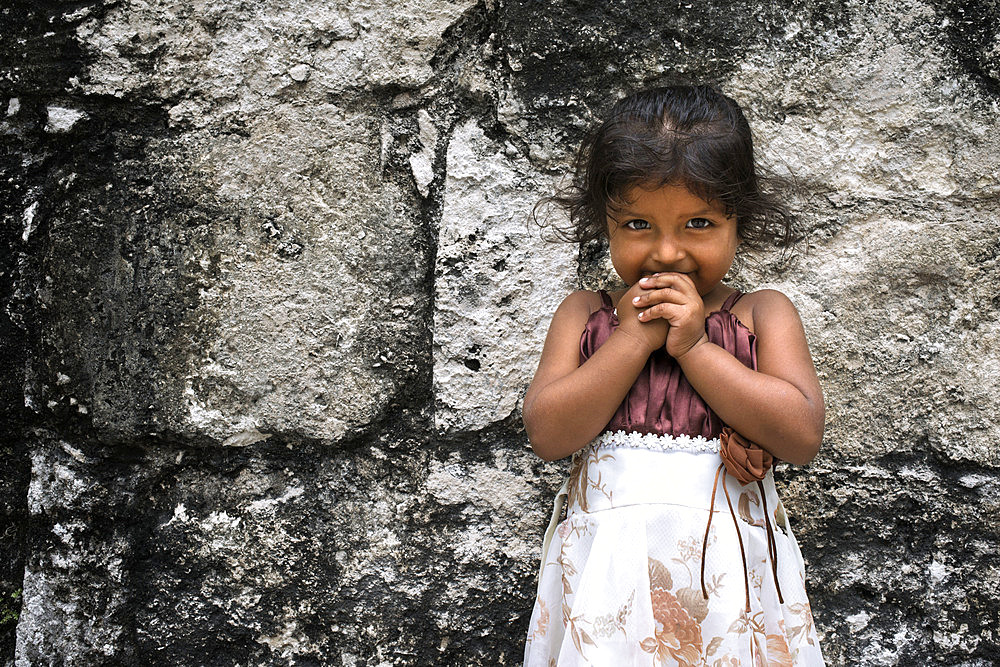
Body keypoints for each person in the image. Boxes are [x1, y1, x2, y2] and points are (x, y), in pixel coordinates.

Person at [521, 85, 826, 666]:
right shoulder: (586, 314)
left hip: (728, 579)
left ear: (740, 221)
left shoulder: (761, 313)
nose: (666, 252)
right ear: (603, 223)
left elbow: (802, 435)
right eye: (637, 223)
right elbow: (548, 434)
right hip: (607, 578)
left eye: (698, 223)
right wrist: (633, 338)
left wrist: (695, 348)